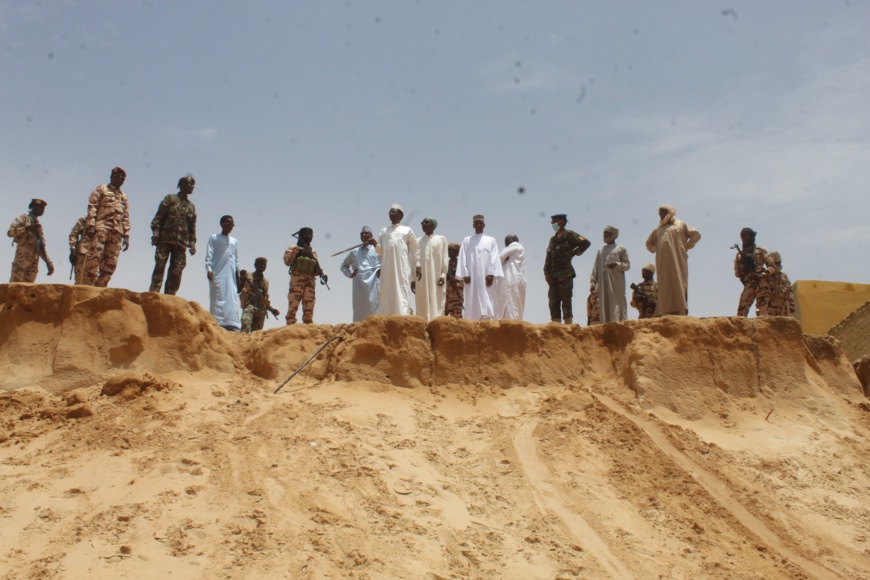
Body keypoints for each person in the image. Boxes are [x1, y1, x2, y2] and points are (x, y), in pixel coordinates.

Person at [645, 205, 700, 316]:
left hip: (678, 259)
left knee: (679, 281)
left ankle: (681, 309)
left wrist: (686, 247)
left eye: (663, 212)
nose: (661, 215)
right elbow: (648, 243)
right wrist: (656, 249)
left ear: (670, 212)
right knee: (664, 283)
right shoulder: (658, 229)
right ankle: (665, 310)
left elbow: (696, 235)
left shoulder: (681, 225)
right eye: (659, 213)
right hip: (662, 261)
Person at [81, 167, 130, 287]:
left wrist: (127, 234)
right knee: (94, 258)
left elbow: (126, 216)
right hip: (101, 228)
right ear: (111, 177)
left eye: (122, 179)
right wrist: (91, 225)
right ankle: (86, 286)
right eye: (117, 177)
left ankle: (100, 287)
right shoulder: (102, 189)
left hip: (117, 233)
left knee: (111, 263)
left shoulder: (123, 196)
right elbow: (92, 206)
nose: (120, 180)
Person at [149, 176, 198, 295]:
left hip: (181, 243)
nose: (191, 187)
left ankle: (170, 297)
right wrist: (155, 233)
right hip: (165, 239)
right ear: (181, 185)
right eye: (188, 184)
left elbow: (192, 228)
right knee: (160, 266)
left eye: (193, 185)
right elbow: (159, 217)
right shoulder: (170, 198)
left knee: (177, 271)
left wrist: (192, 244)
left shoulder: (191, 206)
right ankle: (153, 294)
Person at [372, 204, 419, 316]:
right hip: (387, 268)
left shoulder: (407, 230)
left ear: (400, 215)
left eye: (394, 211)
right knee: (387, 291)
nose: (391, 213)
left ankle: (402, 315)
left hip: (401, 267)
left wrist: (417, 264)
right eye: (390, 212)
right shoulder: (384, 231)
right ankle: (386, 316)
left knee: (401, 290)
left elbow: (415, 249)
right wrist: (375, 244)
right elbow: (380, 252)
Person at [544, 213, 591, 324]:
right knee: (553, 300)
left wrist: (574, 253)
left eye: (554, 222)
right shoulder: (553, 240)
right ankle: (555, 323)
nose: (552, 224)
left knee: (566, 299)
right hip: (553, 275)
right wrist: (546, 272)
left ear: (561, 222)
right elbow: (548, 257)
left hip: (565, 274)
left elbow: (585, 243)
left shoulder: (570, 235)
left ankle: (568, 324)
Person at [456, 214, 503, 321]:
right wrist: (465, 274)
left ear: (484, 225)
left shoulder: (491, 240)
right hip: (472, 278)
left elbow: (494, 257)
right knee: (472, 299)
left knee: (488, 298)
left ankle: (488, 321)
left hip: (487, 277)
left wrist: (491, 274)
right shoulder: (467, 240)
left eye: (480, 223)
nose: (478, 225)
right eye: (476, 223)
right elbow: (463, 257)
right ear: (473, 225)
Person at [283, 227, 327, 324]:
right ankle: (290, 324)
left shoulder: (313, 251)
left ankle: (308, 324)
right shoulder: (292, 247)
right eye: (307, 234)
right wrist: (297, 251)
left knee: (309, 304)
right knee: (293, 303)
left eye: (311, 235)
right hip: (297, 279)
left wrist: (321, 273)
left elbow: (316, 266)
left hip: (310, 280)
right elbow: (287, 261)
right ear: (301, 236)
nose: (309, 237)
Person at [205, 215, 241, 331]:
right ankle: (218, 323)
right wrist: (209, 270)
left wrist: (238, 277)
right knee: (218, 296)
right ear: (222, 224)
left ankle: (232, 324)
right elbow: (209, 255)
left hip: (231, 276)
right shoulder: (214, 238)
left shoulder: (234, 241)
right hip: (218, 273)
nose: (231, 227)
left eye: (232, 224)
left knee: (232, 297)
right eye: (228, 224)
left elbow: (236, 260)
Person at [340, 226, 381, 322]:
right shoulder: (354, 252)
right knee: (359, 308)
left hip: (374, 283)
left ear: (371, 235)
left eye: (366, 233)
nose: (364, 235)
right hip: (358, 283)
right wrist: (350, 274)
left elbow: (387, 260)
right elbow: (343, 266)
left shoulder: (378, 250)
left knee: (374, 307)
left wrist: (381, 270)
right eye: (362, 233)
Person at [590, 226, 630, 323]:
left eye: (607, 234)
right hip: (603, 282)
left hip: (616, 281)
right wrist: (593, 282)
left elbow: (627, 265)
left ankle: (619, 322)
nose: (605, 236)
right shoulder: (601, 250)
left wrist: (617, 265)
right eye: (604, 234)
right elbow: (595, 268)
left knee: (617, 301)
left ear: (614, 235)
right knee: (605, 303)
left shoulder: (621, 248)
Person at [7, 199, 54, 283]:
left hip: (34, 261)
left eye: (43, 208)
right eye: (40, 207)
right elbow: (10, 232)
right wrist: (27, 228)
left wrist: (48, 262)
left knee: (29, 290)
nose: (42, 210)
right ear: (33, 207)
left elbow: (41, 247)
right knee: (15, 286)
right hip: (22, 258)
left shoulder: (39, 226)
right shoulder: (23, 218)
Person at [413, 217, 449, 322]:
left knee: (436, 299)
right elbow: (413, 260)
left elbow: (445, 258)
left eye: (426, 222)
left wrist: (443, 274)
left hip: (436, 276)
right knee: (422, 300)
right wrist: (412, 279)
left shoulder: (441, 239)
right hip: (421, 278)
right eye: (422, 222)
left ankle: (436, 324)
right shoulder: (417, 241)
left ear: (433, 225)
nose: (423, 224)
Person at [733, 227, 768, 317]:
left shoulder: (760, 251)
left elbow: (773, 266)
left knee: (763, 312)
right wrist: (743, 270)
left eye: (747, 235)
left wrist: (764, 274)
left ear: (752, 236)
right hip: (749, 284)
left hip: (762, 284)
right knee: (741, 311)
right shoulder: (740, 256)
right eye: (743, 236)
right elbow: (737, 272)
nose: (744, 238)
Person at [239, 257, 280, 333]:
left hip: (260, 310)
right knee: (245, 325)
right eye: (261, 264)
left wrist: (272, 309)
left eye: (264, 264)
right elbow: (239, 289)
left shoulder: (266, 282)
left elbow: (265, 298)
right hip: (249, 305)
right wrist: (241, 278)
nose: (263, 266)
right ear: (255, 265)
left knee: (257, 333)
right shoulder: (249, 276)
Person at [495, 234, 526, 320]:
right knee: (513, 303)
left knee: (511, 303)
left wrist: (503, 259)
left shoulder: (515, 245)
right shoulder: (516, 251)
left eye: (509, 240)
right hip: (514, 279)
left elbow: (499, 257)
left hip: (511, 279)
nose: (508, 243)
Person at [757, 251, 796, 317]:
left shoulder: (784, 276)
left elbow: (789, 290)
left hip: (782, 308)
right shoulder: (766, 276)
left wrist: (792, 304)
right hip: (769, 308)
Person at [445, 242, 464, 318]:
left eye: (452, 250)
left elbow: (462, 279)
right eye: (448, 249)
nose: (449, 251)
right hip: (445, 295)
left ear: (457, 252)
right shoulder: (445, 263)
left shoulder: (461, 264)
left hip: (456, 295)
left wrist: (455, 281)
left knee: (457, 319)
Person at [68, 216, 87, 283]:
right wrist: (73, 250)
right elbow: (73, 234)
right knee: (80, 280)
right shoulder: (84, 220)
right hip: (82, 254)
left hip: (96, 256)